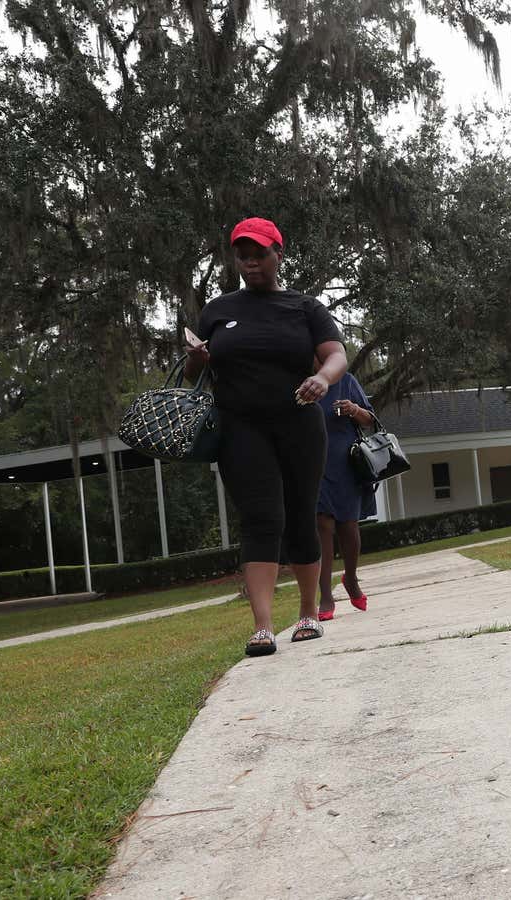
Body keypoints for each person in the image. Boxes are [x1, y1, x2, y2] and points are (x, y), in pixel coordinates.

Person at [185, 217, 348, 657]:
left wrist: (322, 379)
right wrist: (198, 358)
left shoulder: (305, 308)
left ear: (278, 254)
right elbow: (192, 374)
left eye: (259, 254)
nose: (251, 263)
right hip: (240, 428)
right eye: (243, 256)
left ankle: (309, 612)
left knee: (300, 514)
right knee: (260, 518)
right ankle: (262, 626)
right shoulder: (218, 310)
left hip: (298, 423)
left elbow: (336, 355)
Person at [315, 373, 377, 620]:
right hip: (313, 463)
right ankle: (325, 596)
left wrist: (353, 409)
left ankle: (350, 578)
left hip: (345, 463)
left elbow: (369, 420)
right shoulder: (299, 380)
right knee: (322, 524)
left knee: (348, 528)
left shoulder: (345, 381)